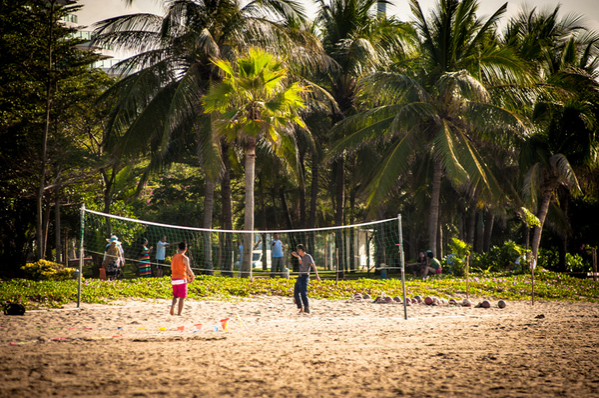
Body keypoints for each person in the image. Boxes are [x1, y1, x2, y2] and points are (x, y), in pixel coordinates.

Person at [291, 244, 321, 314]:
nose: (297, 252)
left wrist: (317, 275)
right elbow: (293, 253)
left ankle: (306, 308)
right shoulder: (300, 256)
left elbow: (313, 265)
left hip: (305, 277)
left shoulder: (308, 256)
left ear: (301, 250)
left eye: (298, 250)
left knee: (303, 294)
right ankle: (300, 308)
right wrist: (298, 256)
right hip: (299, 277)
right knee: (296, 294)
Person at [170, 241, 195, 316]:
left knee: (175, 296)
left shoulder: (174, 256)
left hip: (174, 278)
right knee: (182, 297)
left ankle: (172, 306)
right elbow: (188, 269)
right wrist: (192, 276)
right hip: (181, 279)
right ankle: (179, 313)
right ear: (186, 249)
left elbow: (171, 267)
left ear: (178, 248)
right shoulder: (185, 258)